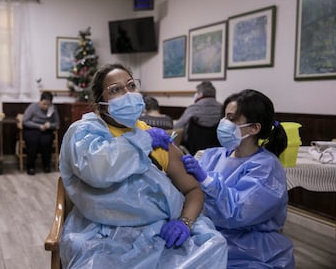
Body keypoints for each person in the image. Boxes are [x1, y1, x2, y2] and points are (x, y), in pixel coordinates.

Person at [59, 63, 227, 268]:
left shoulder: (158, 140)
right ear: (99, 103)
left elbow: (193, 190)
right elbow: (98, 170)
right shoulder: (86, 133)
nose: (127, 93)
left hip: (158, 231)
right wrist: (143, 141)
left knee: (214, 245)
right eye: (115, 90)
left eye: (131, 85)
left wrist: (184, 223)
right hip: (102, 232)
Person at [181, 89, 295, 268]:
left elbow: (238, 213)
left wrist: (206, 180)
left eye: (232, 119)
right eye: (224, 117)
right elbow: (187, 191)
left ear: (254, 128)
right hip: (208, 236)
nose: (223, 123)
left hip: (250, 250)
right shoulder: (212, 156)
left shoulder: (267, 168)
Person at [23, 91, 60, 175]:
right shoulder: (32, 107)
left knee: (46, 142)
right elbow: (25, 121)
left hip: (46, 130)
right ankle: (30, 166)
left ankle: (46, 165)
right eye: (44, 104)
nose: (46, 106)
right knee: (33, 142)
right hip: (32, 129)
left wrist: (49, 125)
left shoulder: (53, 108)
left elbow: (57, 123)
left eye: (48, 104)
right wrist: (38, 126)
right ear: (40, 101)